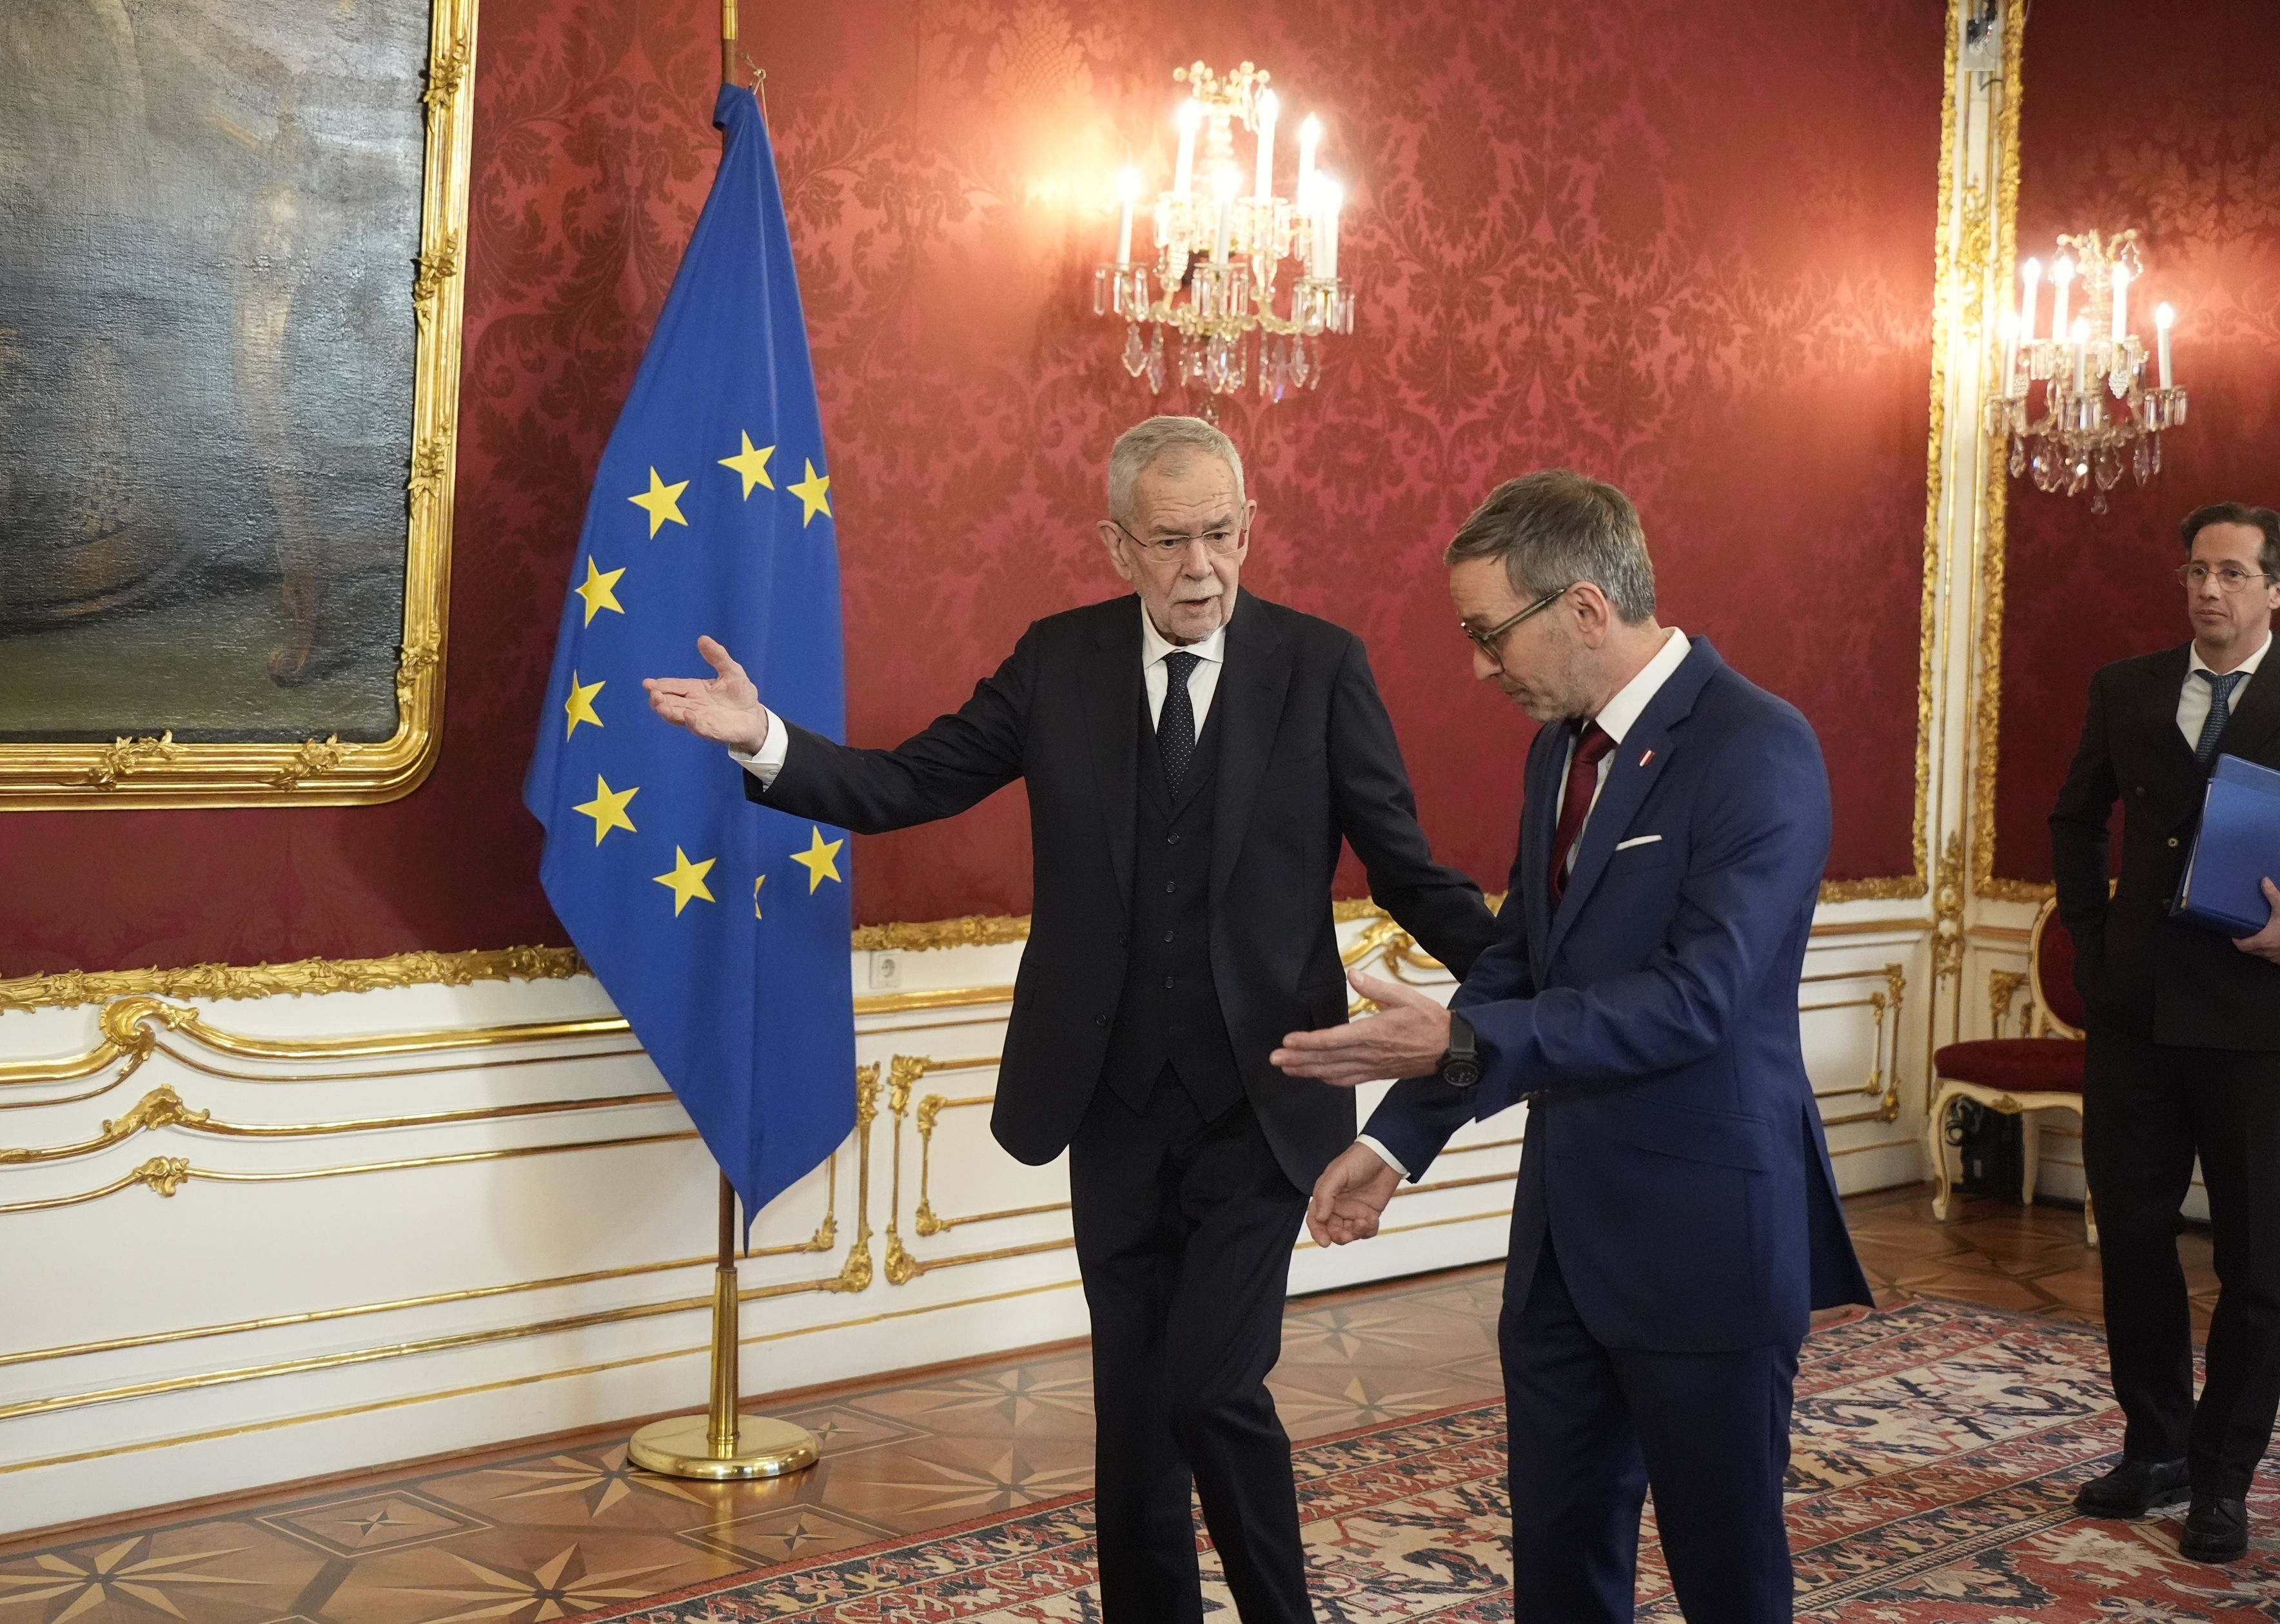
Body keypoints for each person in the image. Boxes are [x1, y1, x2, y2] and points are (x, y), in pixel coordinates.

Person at [644, 415, 1499, 1624]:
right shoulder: (1059, 660)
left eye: (1220, 536)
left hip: (1267, 1099)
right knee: (1134, 1412)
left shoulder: (1319, 666)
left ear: (1249, 530)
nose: (1200, 567)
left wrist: (1530, 979)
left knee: (1212, 1390)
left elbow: (1406, 867)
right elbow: (913, 781)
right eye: (1169, 541)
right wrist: (765, 741)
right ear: (1117, 547)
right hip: (1104, 1097)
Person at [1272, 469, 1869, 1624]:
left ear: (1586, 609)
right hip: (1562, 1243)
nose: (1481, 667)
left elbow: (1699, 1000)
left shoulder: (1759, 745)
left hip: (1706, 1238)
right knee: (1558, 1560)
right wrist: (1397, 1144)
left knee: (1726, 1575)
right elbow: (1517, 963)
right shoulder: (1561, 749)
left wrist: (1461, 1038)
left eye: (1490, 635)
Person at [2052, 500, 2280, 1565]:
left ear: (2273, 590)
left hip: (2259, 1022)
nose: (2209, 591)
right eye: (2196, 570)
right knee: (2135, 1242)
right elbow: (2075, 819)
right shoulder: (2127, 687)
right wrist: (2094, 953)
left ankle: (2224, 1478)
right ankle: (2158, 1446)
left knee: (2259, 1264)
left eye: (2233, 573)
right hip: (2136, 1016)